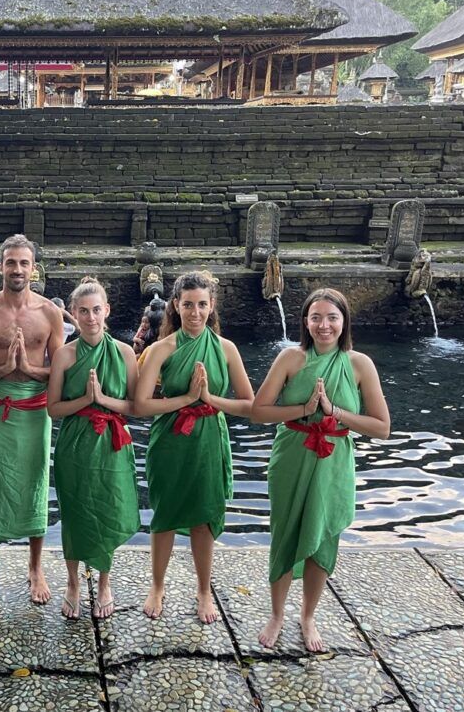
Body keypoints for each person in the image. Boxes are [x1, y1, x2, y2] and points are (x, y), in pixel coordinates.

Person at [251, 288, 389, 652]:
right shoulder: (290, 358)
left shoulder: (360, 364)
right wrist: (303, 409)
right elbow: (259, 412)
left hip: (334, 459)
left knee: (323, 535)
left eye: (332, 317)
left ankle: (308, 615)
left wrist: (334, 412)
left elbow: (381, 427)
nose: (324, 325)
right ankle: (276, 614)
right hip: (292, 454)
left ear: (344, 322)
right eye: (316, 318)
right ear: (305, 322)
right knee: (286, 531)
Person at [134, 271, 254, 622]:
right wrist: (187, 398)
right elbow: (141, 405)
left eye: (202, 304)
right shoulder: (160, 349)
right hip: (170, 440)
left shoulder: (226, 349)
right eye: (188, 305)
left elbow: (248, 404)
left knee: (204, 517)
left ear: (212, 305)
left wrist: (209, 399)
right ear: (175, 305)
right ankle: (157, 585)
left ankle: (204, 591)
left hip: (209, 439)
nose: (195, 312)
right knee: (165, 515)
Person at [0, 234, 64, 605]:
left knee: (36, 482)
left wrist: (29, 368)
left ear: (34, 268)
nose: (18, 269)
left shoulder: (49, 313)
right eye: (11, 262)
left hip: (35, 409)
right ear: (1, 267)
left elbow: (60, 370)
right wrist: (5, 367)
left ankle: (35, 567)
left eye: (24, 263)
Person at [47, 278, 139, 620]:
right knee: (75, 512)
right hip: (75, 442)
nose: (90, 318)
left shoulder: (125, 353)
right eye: (83, 311)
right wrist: (86, 400)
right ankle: (72, 583)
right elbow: (53, 408)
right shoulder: (65, 354)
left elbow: (135, 406)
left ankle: (104, 582)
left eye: (96, 310)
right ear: (73, 313)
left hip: (113, 440)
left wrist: (103, 399)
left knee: (108, 508)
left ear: (107, 310)